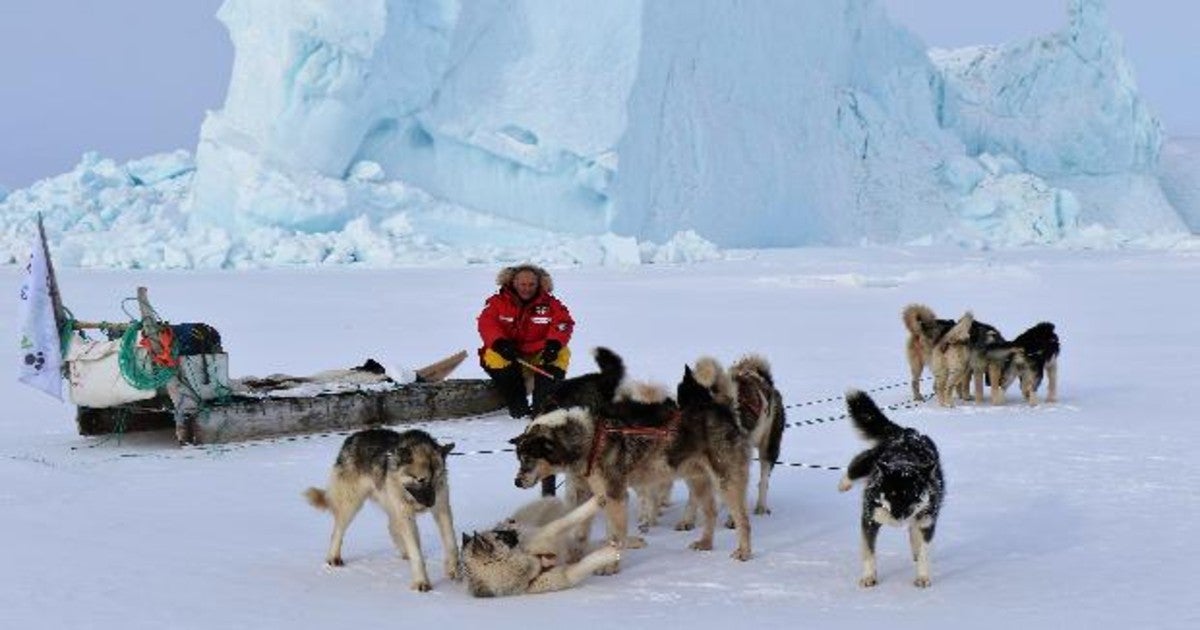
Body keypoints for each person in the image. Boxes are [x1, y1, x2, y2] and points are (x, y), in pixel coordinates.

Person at [477, 263, 574, 422]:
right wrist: (500, 343)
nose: (527, 288)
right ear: (513, 283)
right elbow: (487, 324)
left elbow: (563, 324)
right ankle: (517, 405)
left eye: (531, 284)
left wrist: (554, 345)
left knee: (562, 352)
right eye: (522, 284)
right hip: (510, 353)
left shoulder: (552, 304)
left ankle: (542, 407)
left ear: (539, 284)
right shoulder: (497, 302)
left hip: (539, 353)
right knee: (493, 354)